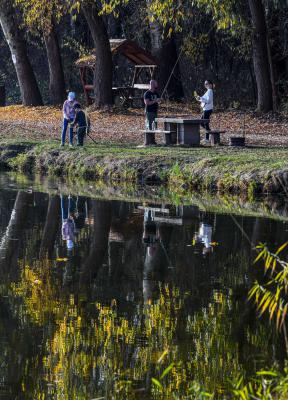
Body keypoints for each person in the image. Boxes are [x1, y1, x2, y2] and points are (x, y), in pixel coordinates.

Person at [144, 80, 161, 144]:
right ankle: (148, 141)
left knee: (154, 127)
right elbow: (147, 103)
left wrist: (159, 100)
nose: (157, 85)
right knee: (149, 126)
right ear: (152, 85)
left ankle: (153, 141)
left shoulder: (156, 93)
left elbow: (159, 100)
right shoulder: (147, 93)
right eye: (156, 84)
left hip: (155, 112)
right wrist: (155, 101)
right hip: (149, 112)